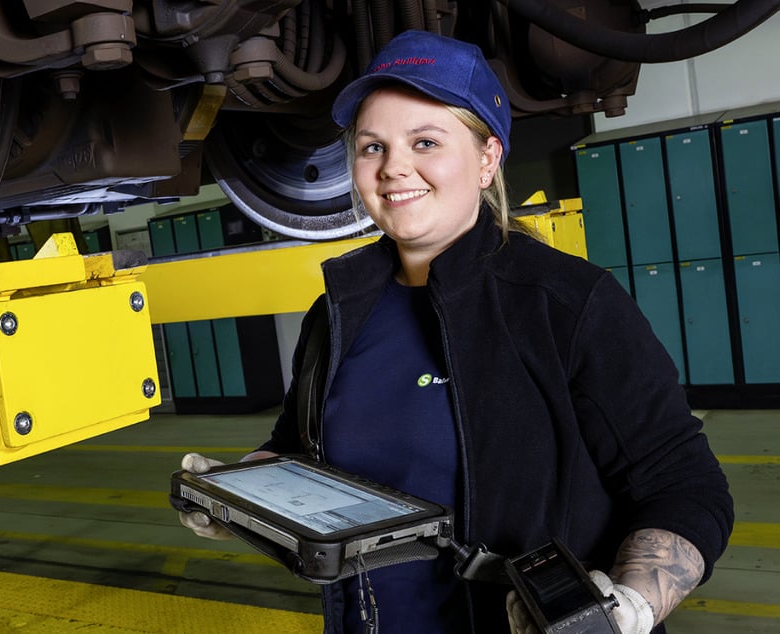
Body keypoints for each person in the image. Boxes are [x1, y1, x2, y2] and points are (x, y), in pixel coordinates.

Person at [179, 29, 733, 634]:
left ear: (487, 158)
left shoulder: (565, 303)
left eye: (425, 141)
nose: (394, 168)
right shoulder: (337, 311)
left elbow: (685, 484)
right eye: (371, 147)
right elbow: (296, 449)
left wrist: (629, 607)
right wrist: (235, 494)